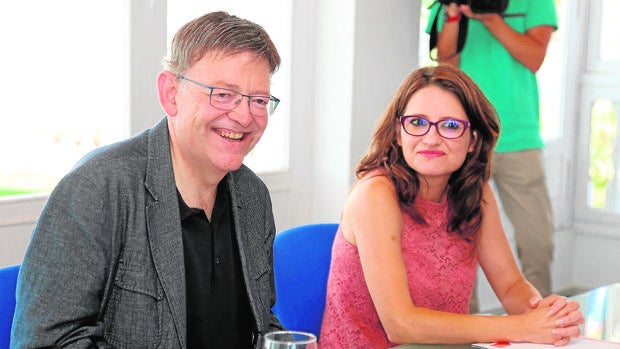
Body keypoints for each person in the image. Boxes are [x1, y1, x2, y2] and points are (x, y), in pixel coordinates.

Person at [11, 11, 284, 348]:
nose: (244, 116)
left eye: (258, 100)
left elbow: (259, 323)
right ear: (171, 93)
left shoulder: (253, 195)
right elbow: (45, 342)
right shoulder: (98, 188)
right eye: (223, 94)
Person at [318, 64, 583, 348]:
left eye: (451, 126)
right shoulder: (375, 196)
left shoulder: (474, 192)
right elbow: (400, 325)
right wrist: (521, 327)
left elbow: (510, 286)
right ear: (398, 133)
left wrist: (547, 316)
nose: (431, 138)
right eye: (417, 123)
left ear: (473, 141)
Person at [429, 0, 557, 299]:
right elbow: (446, 63)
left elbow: (534, 56)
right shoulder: (448, 3)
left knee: (537, 241)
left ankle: (543, 328)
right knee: (458, 242)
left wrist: (490, 18)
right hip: (462, 137)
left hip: (518, 137)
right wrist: (452, 15)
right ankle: (461, 336)